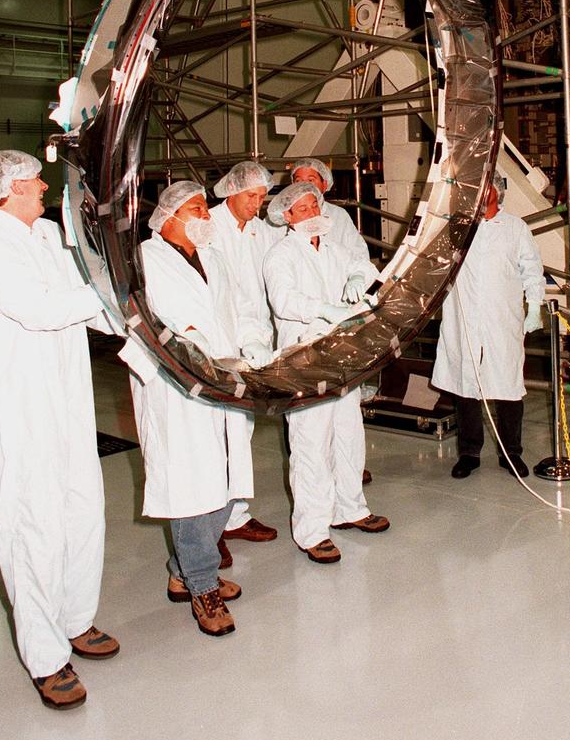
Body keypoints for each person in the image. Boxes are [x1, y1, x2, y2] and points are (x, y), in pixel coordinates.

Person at [0, 150, 119, 710]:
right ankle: (46, 658)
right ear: (7, 189)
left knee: (81, 509)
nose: (45, 185)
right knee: (32, 527)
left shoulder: (46, 235)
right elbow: (40, 309)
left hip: (66, 399)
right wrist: (111, 295)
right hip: (17, 410)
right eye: (34, 180)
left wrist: (125, 311)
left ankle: (75, 620)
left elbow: (87, 289)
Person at [119, 181, 256, 638]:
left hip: (222, 377)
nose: (205, 216)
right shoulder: (143, 258)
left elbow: (230, 313)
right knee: (193, 486)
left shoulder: (211, 257)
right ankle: (202, 586)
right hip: (177, 386)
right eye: (197, 209)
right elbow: (149, 321)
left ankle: (185, 570)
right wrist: (196, 351)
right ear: (171, 216)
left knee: (227, 481)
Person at [263, 181, 389, 564]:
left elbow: (362, 268)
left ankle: (350, 509)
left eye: (314, 208)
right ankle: (312, 531)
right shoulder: (280, 255)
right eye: (302, 210)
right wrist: (324, 310)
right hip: (305, 356)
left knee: (349, 434)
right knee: (311, 444)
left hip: (342, 355)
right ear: (286, 216)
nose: (311, 215)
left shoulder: (334, 249)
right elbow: (284, 300)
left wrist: (358, 279)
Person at [432, 171, 545, 480]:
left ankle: (512, 454)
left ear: (498, 191)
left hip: (501, 320)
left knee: (508, 385)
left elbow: (533, 270)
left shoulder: (515, 228)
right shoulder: (457, 227)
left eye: (488, 188)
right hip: (463, 318)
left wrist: (534, 307)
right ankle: (469, 453)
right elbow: (435, 267)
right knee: (466, 385)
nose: (482, 194)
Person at [210, 160, 282, 553]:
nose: (259, 203)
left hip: (256, 340)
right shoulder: (210, 226)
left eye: (262, 196)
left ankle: (235, 515)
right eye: (252, 196)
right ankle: (211, 525)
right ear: (232, 192)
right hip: (221, 343)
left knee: (243, 430)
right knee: (217, 434)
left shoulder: (259, 231)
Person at [289, 157, 369, 265]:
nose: (304, 187)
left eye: (311, 180)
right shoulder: (282, 217)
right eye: (298, 181)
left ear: (324, 185)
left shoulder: (339, 216)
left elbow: (359, 254)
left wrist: (357, 277)